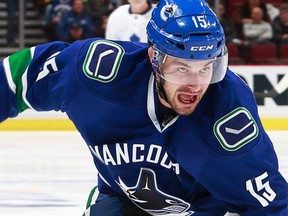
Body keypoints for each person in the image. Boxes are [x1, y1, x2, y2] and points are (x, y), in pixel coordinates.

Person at [0, 0, 287, 215]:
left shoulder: (227, 118)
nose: (195, 84)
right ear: (154, 57)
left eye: (206, 68)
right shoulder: (96, 74)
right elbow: (13, 80)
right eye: (181, 67)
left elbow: (271, 206)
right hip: (121, 200)